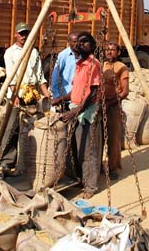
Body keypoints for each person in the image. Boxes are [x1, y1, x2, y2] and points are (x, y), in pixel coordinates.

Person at [54, 32, 102, 199]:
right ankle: (81, 179)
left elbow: (93, 93)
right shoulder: (80, 64)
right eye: (79, 42)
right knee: (76, 149)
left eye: (85, 42)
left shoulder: (93, 64)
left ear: (92, 45)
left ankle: (90, 187)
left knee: (89, 150)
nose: (81, 45)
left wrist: (76, 111)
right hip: (76, 109)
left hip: (86, 113)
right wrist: (61, 98)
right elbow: (76, 89)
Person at [0, 22, 50, 172]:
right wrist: (15, 96)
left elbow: (39, 75)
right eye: (21, 34)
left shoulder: (33, 52)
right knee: (12, 129)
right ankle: (6, 162)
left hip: (31, 94)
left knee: (33, 128)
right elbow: (11, 76)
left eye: (26, 34)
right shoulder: (10, 52)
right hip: (17, 94)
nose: (24, 37)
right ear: (15, 34)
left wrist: (46, 94)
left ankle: (29, 162)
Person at [101, 42, 129, 179]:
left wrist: (112, 101)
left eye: (112, 50)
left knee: (113, 139)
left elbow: (125, 92)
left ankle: (113, 168)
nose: (109, 52)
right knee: (99, 137)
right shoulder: (103, 65)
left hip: (113, 107)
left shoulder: (121, 68)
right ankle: (100, 165)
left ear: (118, 52)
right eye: (107, 50)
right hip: (100, 105)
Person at [51, 32, 79, 112]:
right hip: (65, 98)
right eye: (74, 42)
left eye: (78, 41)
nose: (77, 44)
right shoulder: (63, 55)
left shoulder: (83, 55)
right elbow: (55, 76)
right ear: (69, 42)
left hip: (78, 98)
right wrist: (57, 96)